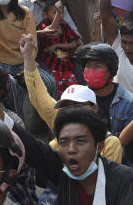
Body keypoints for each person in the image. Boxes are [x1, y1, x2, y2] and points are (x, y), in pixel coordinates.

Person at [20, 34, 125, 162]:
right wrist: (28, 57)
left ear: (94, 108)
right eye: (65, 108)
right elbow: (38, 96)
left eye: (77, 106)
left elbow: (109, 179)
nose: (70, 112)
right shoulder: (55, 144)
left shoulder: (109, 143)